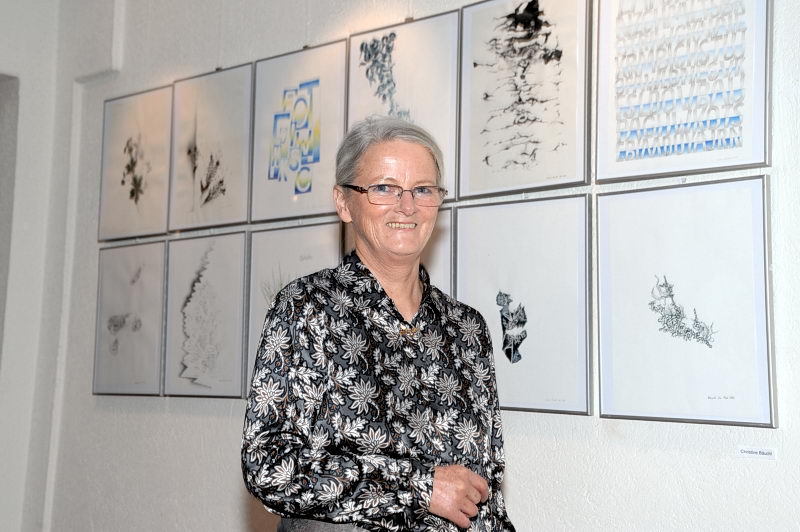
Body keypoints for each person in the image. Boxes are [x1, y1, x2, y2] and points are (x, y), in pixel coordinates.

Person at [241, 116, 515, 532]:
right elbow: (269, 466)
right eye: (385, 188)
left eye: (423, 189)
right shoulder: (307, 308)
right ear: (343, 202)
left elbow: (484, 493)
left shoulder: (467, 328)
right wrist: (419, 486)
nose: (407, 206)